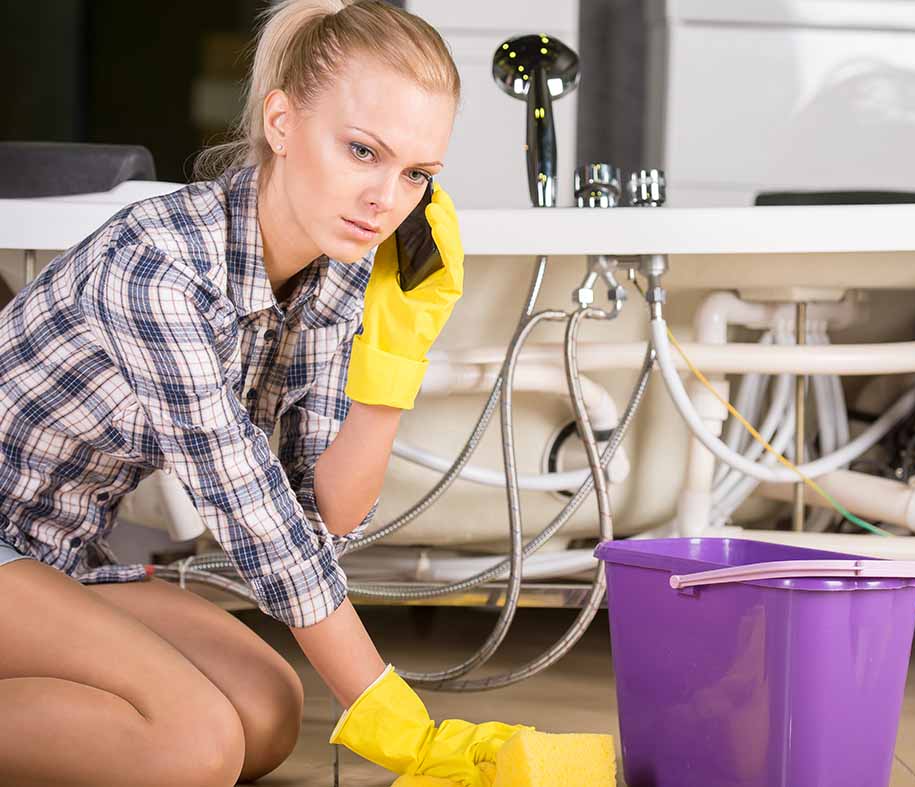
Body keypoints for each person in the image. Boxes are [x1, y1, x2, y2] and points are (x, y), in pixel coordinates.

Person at [0, 2, 526, 785]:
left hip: (56, 560)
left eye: (417, 173)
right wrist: (400, 719)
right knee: (195, 747)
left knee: (269, 711)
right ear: (281, 122)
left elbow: (327, 510)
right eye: (361, 151)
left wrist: (397, 354)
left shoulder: (335, 266)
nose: (387, 198)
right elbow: (261, 525)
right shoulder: (160, 270)